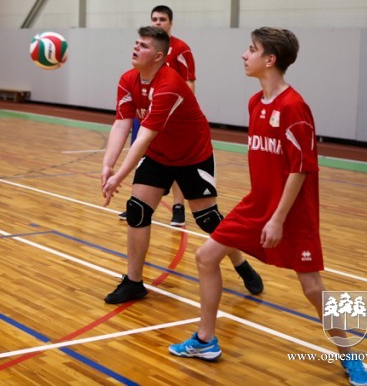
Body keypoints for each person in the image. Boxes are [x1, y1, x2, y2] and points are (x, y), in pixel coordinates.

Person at [168, 28, 367, 386]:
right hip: (256, 205)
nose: (244, 55)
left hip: (292, 213)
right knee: (206, 256)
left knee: (312, 288)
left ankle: (351, 355)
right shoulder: (255, 103)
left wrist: (278, 219)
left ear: (270, 59)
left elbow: (301, 168)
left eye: (252, 49)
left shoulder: (294, 106)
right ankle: (205, 340)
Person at [101, 26, 263, 305]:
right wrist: (108, 165)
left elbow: (144, 136)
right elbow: (122, 123)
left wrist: (119, 177)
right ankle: (134, 282)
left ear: (159, 56)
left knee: (208, 219)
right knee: (137, 210)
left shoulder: (169, 85)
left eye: (144, 45)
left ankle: (240, 262)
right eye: (136, 43)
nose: (136, 48)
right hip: (158, 155)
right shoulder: (128, 80)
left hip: (193, 155)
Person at [119, 5, 197, 227]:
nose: (158, 22)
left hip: (170, 116)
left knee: (177, 162)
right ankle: (137, 202)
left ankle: (178, 207)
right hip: (147, 115)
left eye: (162, 19)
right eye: (154, 19)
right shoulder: (147, 50)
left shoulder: (181, 49)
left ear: (171, 23)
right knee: (141, 156)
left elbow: (189, 82)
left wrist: (179, 111)